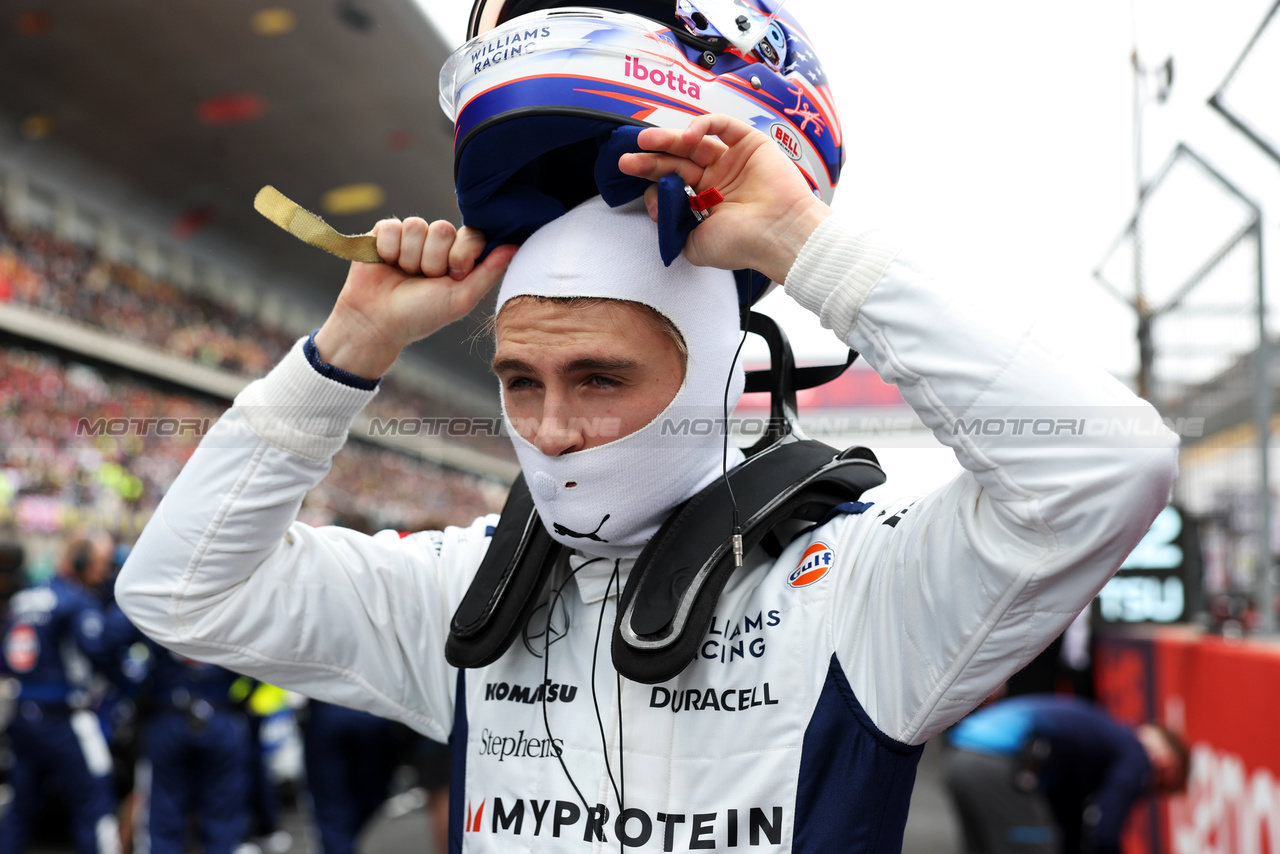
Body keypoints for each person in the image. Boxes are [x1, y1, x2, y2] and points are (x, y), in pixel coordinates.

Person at [115, 110, 1178, 852]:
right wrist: (347, 343)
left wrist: (806, 247)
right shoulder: (459, 588)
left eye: (599, 375)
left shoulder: (861, 587)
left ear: (718, 379)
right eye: (518, 380)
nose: (556, 427)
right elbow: (179, 589)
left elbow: (1103, 462)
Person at [944, 695, 1189, 854]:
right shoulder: (1136, 754)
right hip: (999, 761)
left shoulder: (1102, 740)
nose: (1147, 790)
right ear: (1164, 761)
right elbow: (1106, 832)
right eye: (1159, 785)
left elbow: (1066, 816)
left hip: (960, 754)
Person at [0, 531, 120, 854]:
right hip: (65, 718)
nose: (104, 573)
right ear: (79, 561)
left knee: (20, 808)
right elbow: (100, 651)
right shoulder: (75, 601)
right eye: (99, 564)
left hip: (24, 716)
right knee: (95, 802)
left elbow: (7, 659)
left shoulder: (23, 599)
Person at [101, 606, 253, 854]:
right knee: (221, 819)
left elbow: (109, 639)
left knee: (165, 817)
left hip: (169, 710)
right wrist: (242, 692)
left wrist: (133, 685)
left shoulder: (162, 591)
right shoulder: (230, 589)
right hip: (218, 711)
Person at [301, 700, 403, 854]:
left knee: (339, 805)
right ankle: (341, 842)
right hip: (366, 713)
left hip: (347, 714)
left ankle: (341, 842)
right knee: (337, 805)